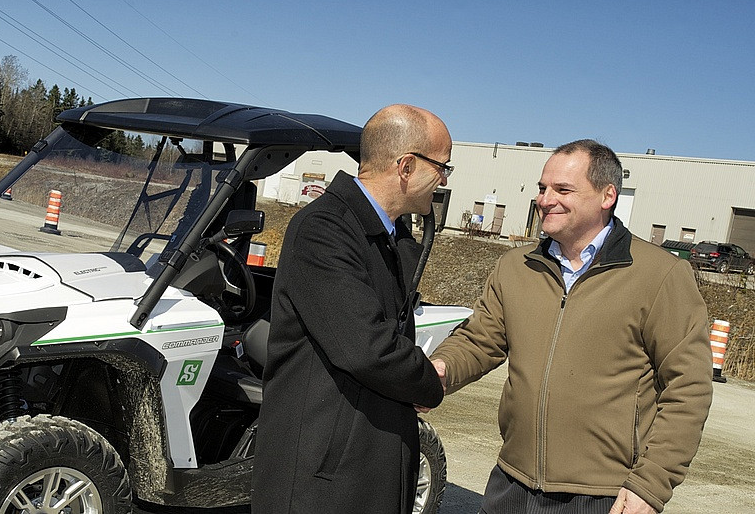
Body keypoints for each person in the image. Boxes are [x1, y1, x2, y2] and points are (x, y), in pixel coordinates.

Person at [430, 139, 713, 514]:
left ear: (607, 196)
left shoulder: (661, 275)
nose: (546, 199)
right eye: (543, 188)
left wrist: (652, 483)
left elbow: (688, 388)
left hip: (603, 496)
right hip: (511, 482)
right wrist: (438, 371)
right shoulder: (517, 267)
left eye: (563, 189)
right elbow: (480, 340)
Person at [252, 104, 452, 513]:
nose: (445, 180)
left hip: (359, 471)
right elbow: (367, 347)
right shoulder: (325, 229)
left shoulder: (385, 234)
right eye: (443, 167)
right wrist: (428, 381)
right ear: (407, 166)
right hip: (322, 482)